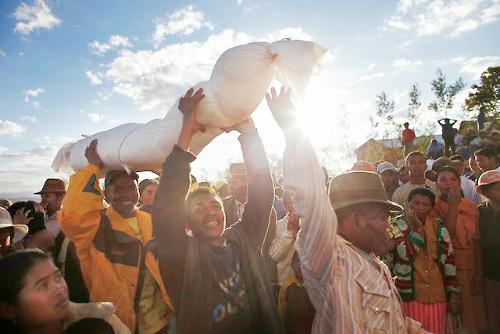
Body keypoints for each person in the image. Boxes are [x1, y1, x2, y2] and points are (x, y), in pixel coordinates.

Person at [267, 86, 426, 333]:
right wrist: (292, 129)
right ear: (356, 219)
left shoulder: (377, 265)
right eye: (383, 217)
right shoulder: (330, 257)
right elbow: (312, 198)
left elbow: (394, 322)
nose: (388, 226)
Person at [152, 88, 283, 333]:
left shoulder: (242, 239)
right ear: (187, 223)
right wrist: (187, 131)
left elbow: (263, 194)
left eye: (215, 205)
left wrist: (249, 134)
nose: (211, 212)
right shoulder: (180, 255)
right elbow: (166, 207)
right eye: (199, 208)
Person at [59, 140, 173, 333]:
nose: (126, 194)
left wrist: (163, 170)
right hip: (119, 324)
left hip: (160, 323)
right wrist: (92, 168)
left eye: (131, 187)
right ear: (105, 195)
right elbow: (74, 217)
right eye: (118, 188)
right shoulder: (96, 226)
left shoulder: (150, 220)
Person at [0, 249, 130, 334]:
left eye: (58, 277)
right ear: (8, 310)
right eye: (43, 285)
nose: (59, 289)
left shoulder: (102, 323)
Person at [392, 187, 460, 334]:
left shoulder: (439, 228)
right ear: (408, 204)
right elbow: (404, 254)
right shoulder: (397, 225)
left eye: (425, 204)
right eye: (416, 203)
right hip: (409, 296)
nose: (420, 208)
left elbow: (450, 261)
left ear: (431, 207)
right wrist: (418, 232)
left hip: (438, 294)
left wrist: (454, 294)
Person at [433, 166, 489, 333]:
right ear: (436, 184)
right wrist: (452, 206)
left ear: (459, 183)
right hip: (451, 267)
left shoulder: (471, 206)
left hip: (471, 264)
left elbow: (476, 240)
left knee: (477, 315)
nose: (448, 183)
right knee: (459, 318)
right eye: (443, 179)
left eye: (453, 179)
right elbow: (446, 236)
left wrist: (479, 271)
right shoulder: (434, 207)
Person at [475, 170, 500, 333]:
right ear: (485, 191)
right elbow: (476, 242)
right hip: (490, 271)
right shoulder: (479, 212)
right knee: (493, 314)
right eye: (498, 188)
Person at [278, 251, 315, 334]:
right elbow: (282, 312)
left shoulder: (314, 286)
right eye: (297, 262)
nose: (300, 265)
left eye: (303, 261)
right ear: (292, 266)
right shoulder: (286, 287)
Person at [269, 189, 300, 289]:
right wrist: (289, 232)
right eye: (293, 201)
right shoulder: (277, 226)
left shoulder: (313, 224)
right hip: (285, 287)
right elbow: (275, 256)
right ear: (285, 205)